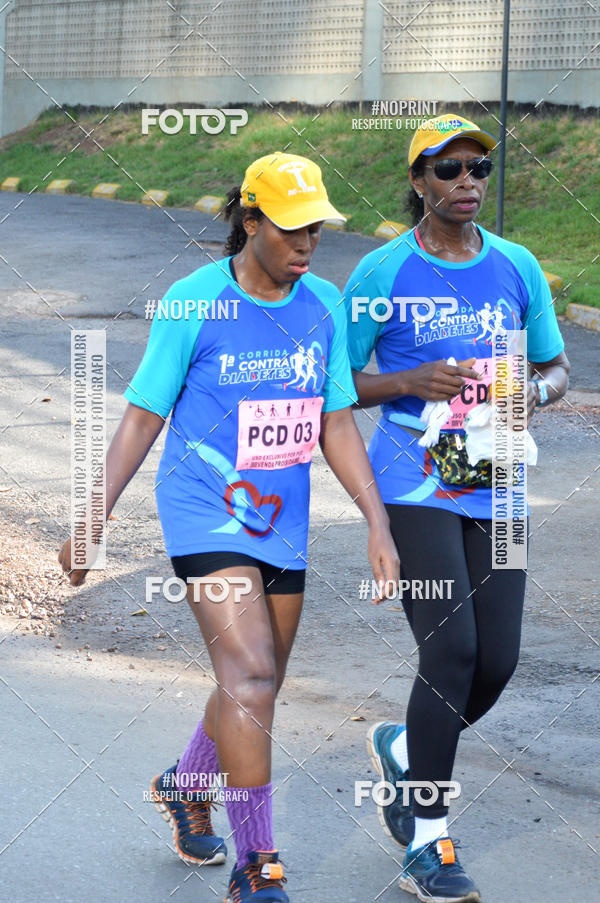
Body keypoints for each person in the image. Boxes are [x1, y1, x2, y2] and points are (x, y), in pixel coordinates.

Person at [58, 151, 399, 903]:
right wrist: (93, 517)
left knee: (257, 680)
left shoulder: (323, 305)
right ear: (251, 222)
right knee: (249, 673)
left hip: (282, 518)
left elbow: (335, 418)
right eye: (292, 230)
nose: (308, 245)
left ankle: (186, 782)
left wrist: (377, 521)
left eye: (317, 230)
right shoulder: (193, 301)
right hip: (204, 510)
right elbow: (144, 413)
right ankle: (258, 865)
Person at [344, 114, 570, 903]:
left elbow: (557, 364)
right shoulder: (380, 273)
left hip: (498, 477)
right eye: (448, 170)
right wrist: (408, 381)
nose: (467, 181)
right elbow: (336, 385)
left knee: (498, 658)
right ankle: (429, 842)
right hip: (414, 479)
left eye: (478, 168)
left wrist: (534, 393)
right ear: (418, 184)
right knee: (452, 651)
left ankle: (406, 745)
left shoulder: (517, 265)